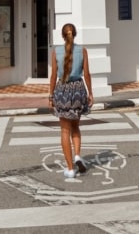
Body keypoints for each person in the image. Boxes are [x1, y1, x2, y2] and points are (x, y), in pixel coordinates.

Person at [48, 22, 93, 179]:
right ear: (74, 34)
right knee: (75, 126)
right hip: (78, 90)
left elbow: (54, 76)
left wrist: (50, 96)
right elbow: (86, 74)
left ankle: (69, 169)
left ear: (62, 35)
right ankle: (77, 156)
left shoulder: (56, 52)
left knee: (65, 130)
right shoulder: (83, 51)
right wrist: (90, 93)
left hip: (63, 90)